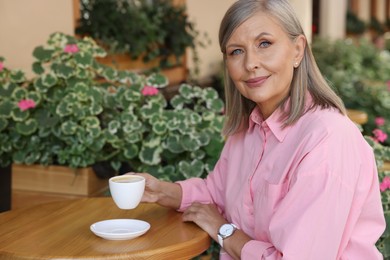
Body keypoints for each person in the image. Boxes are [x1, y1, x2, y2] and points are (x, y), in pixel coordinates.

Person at [134, 0, 386, 259]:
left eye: (264, 44)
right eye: (236, 51)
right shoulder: (248, 129)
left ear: (297, 50)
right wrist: (161, 191)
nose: (250, 63)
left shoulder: (327, 140)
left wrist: (224, 231)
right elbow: (217, 192)